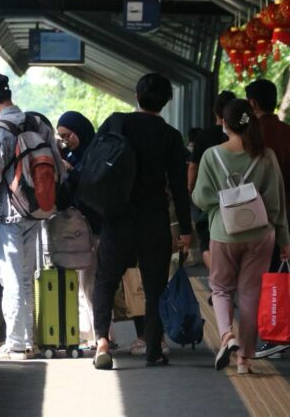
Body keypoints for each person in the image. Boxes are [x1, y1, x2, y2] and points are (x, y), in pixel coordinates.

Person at [92, 73, 191, 370]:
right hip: (153, 220)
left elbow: (96, 166)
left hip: (117, 217)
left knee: (106, 281)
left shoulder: (115, 123)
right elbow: (178, 187)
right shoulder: (171, 136)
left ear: (137, 95)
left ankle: (102, 343)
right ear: (166, 102)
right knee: (154, 286)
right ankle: (152, 351)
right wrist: (185, 229)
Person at [193, 99, 290, 375]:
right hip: (261, 234)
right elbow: (276, 202)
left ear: (224, 123)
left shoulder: (212, 155)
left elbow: (200, 197)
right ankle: (244, 360)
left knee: (222, 288)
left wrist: (221, 199)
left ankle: (226, 336)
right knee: (251, 295)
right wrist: (284, 238)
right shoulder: (266, 155)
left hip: (224, 233)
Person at [0, 72, 64, 360]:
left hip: (8, 214)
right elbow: (58, 167)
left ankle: (15, 343)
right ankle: (28, 341)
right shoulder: (37, 122)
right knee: (26, 277)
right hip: (37, 211)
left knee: (11, 279)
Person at [245, 79, 290, 359]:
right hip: (285, 209)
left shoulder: (252, 132)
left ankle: (268, 336)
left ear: (252, 103)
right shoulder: (289, 132)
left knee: (254, 278)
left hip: (253, 213)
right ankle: (276, 333)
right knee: (276, 274)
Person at [56, 111, 101, 345]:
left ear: (79, 130)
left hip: (95, 227)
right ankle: (97, 333)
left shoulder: (94, 153)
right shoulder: (74, 154)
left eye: (67, 135)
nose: (66, 141)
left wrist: (71, 171)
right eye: (62, 137)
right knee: (87, 281)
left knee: (89, 281)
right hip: (82, 227)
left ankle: (97, 334)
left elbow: (91, 184)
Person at [189, 91, 237, 273]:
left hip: (210, 198)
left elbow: (193, 167)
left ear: (214, 111)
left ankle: (218, 277)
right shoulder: (240, 137)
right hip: (236, 197)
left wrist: (191, 188)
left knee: (207, 241)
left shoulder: (204, 135)